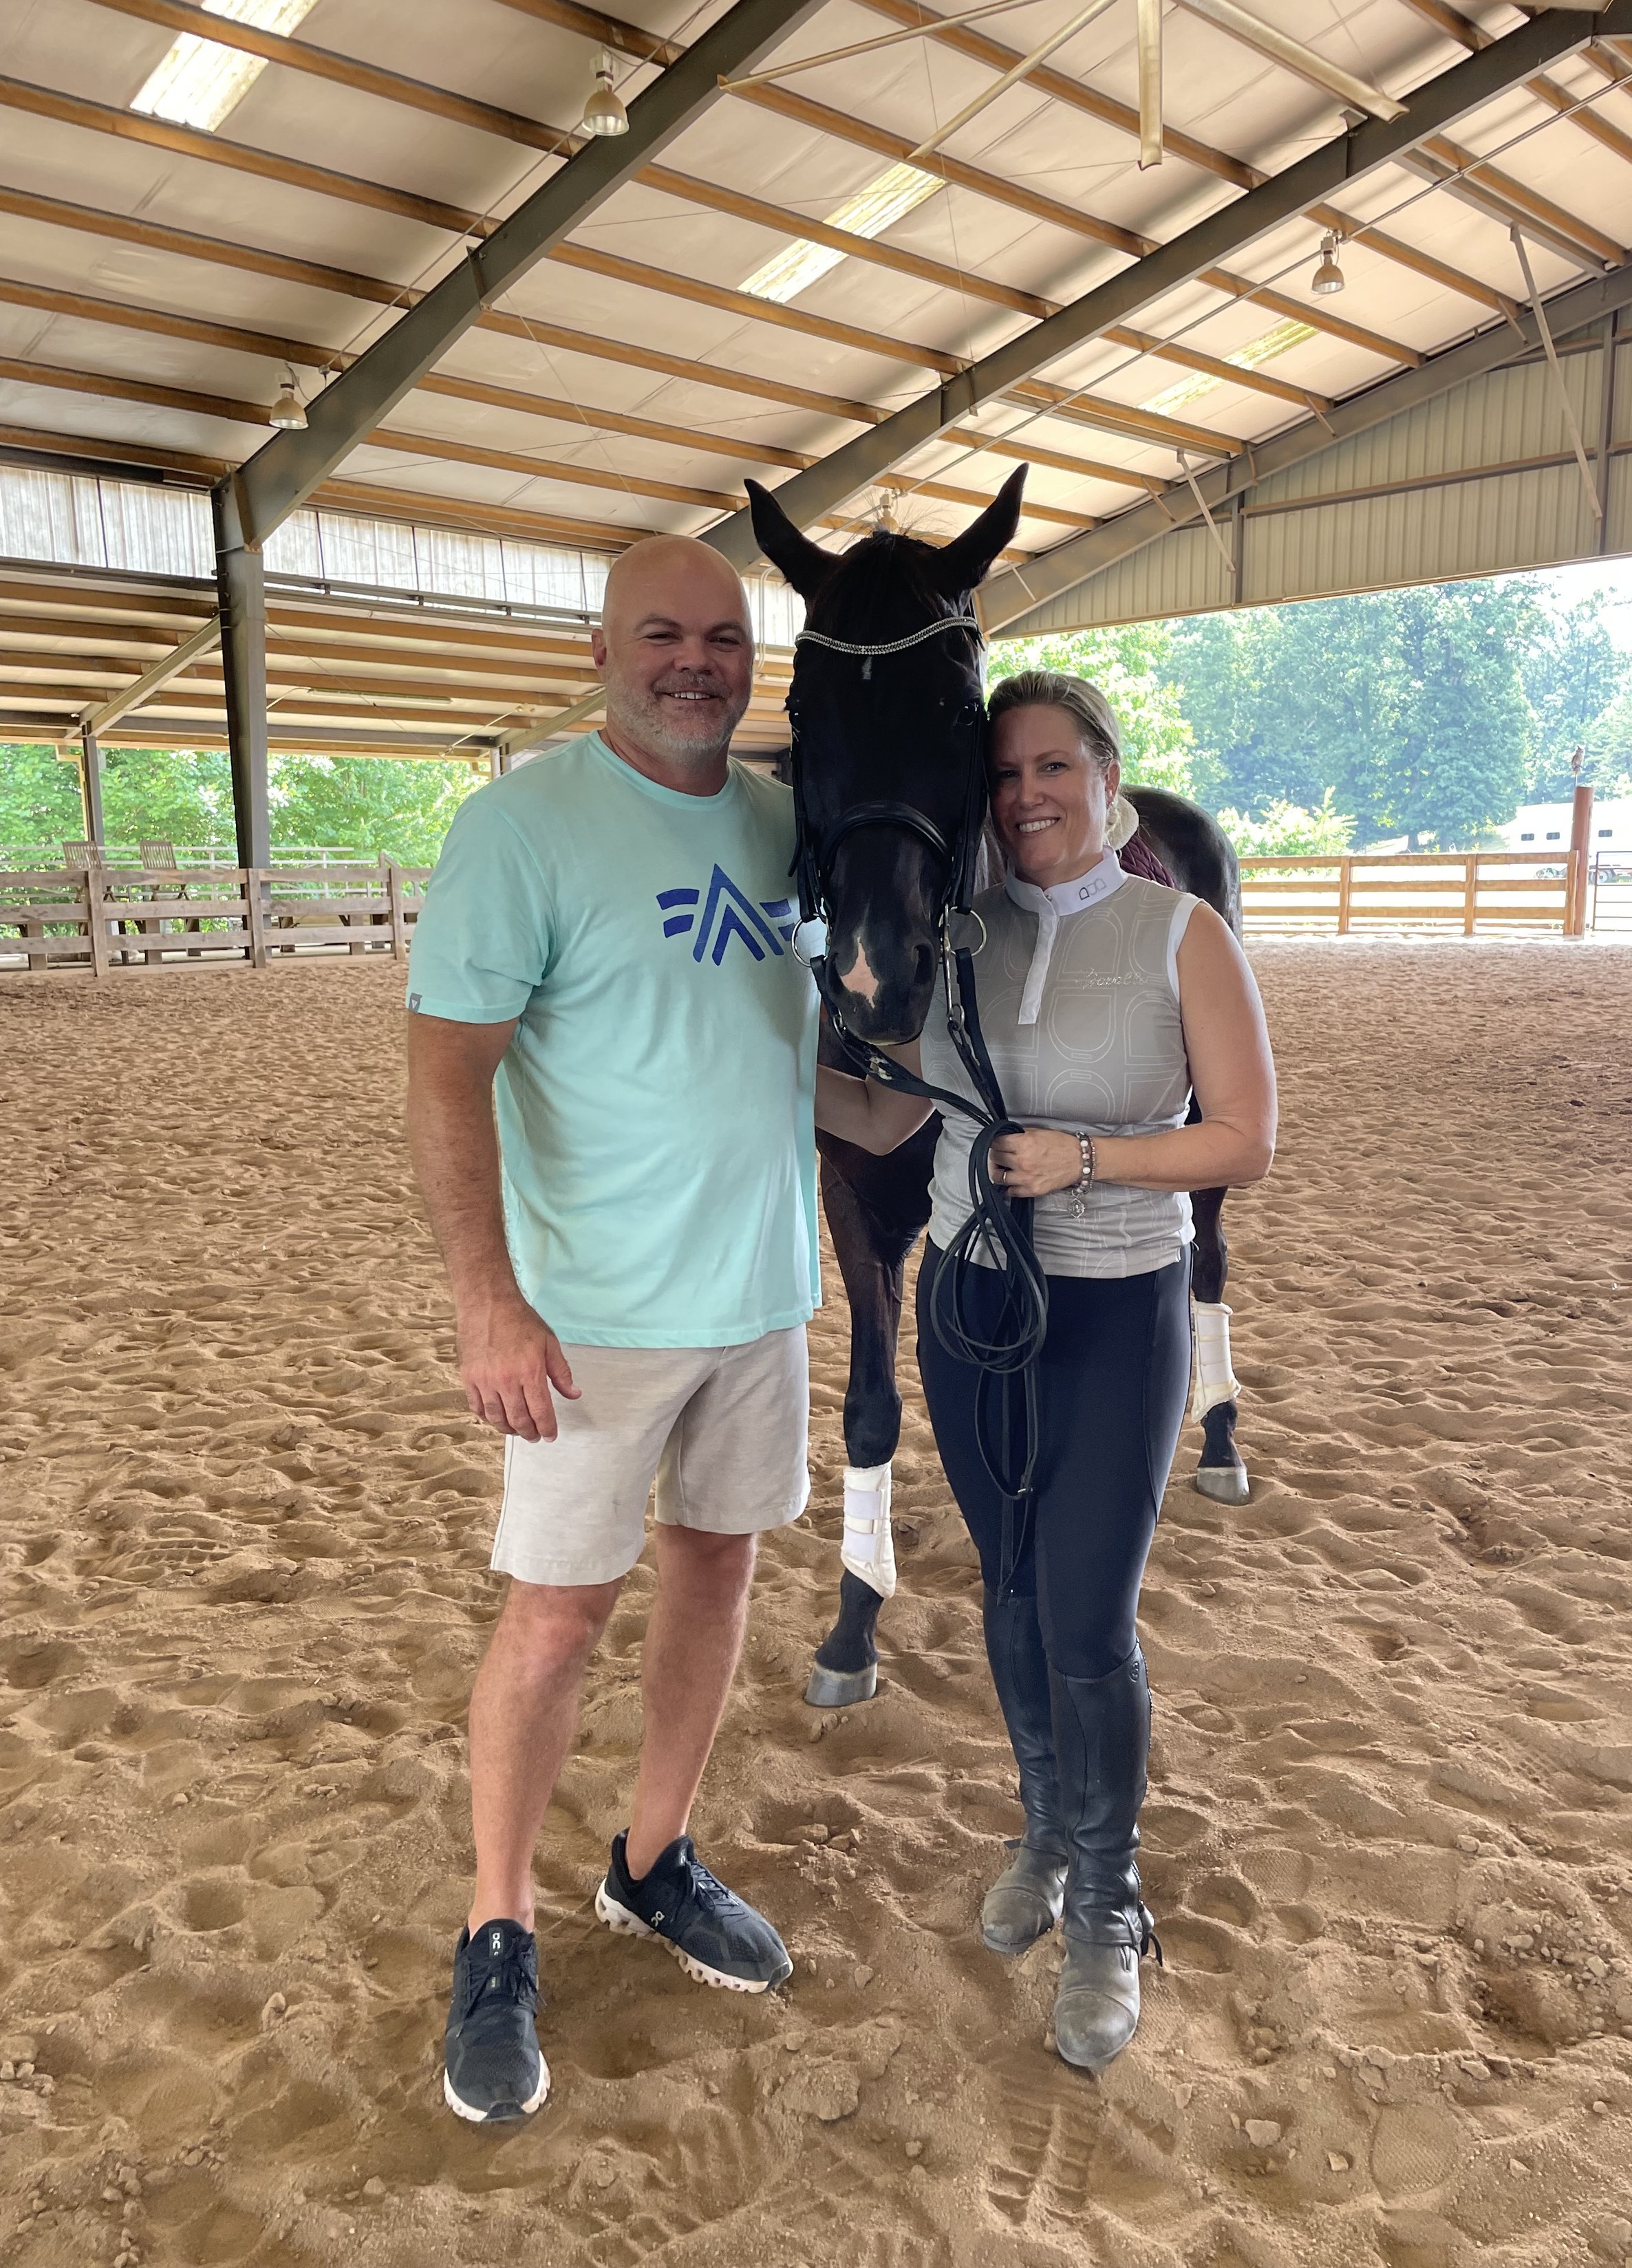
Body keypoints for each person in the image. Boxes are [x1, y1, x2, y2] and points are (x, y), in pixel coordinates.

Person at [405, 535, 820, 2123]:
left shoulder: (789, 825)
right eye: (662, 633)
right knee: (557, 1617)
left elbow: (799, 1042)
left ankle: (651, 1855)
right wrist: (486, 1298)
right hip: (591, 1322)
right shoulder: (522, 827)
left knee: (716, 1570)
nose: (695, 661)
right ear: (602, 650)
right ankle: (497, 1918)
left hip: (761, 1297)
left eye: (722, 637)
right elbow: (447, 1073)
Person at [816, 668, 1276, 2071]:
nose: (1023, 796)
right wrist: (775, 1049)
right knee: (1007, 1594)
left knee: (1087, 1618)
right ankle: (1043, 1830)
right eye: (1004, 774)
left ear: (1101, 773)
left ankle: (1107, 1897)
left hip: (1113, 1307)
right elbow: (895, 1117)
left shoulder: (1176, 931)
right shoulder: (964, 937)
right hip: (971, 1304)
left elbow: (1242, 1138)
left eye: (1048, 768)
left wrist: (1087, 1158)